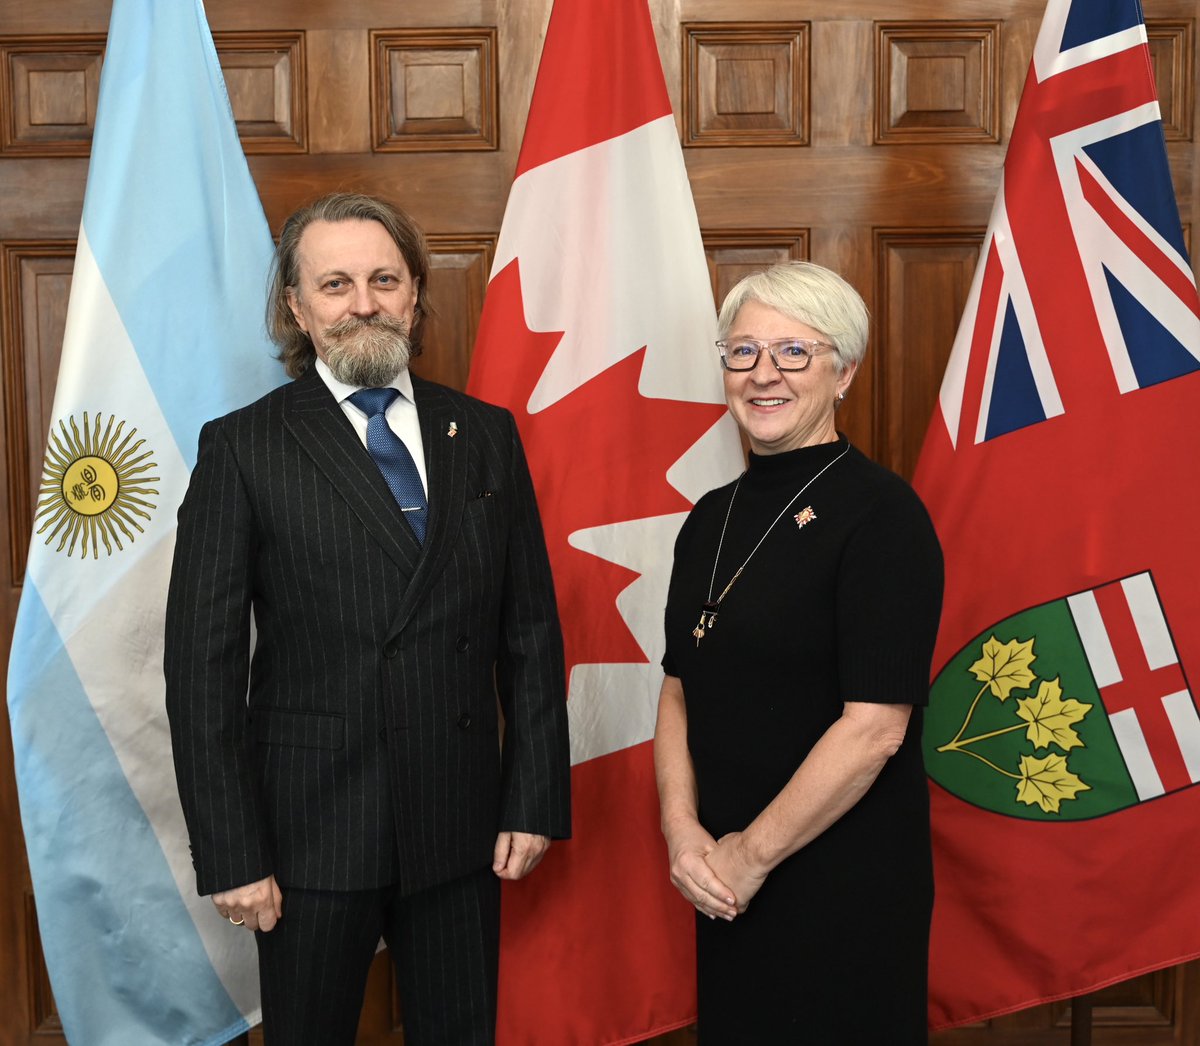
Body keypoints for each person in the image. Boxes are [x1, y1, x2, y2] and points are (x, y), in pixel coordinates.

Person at [164, 191, 570, 1045]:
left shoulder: (485, 433)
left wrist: (531, 797)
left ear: (415, 293)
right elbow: (200, 671)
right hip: (312, 828)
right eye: (336, 283)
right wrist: (233, 852)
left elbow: (529, 633)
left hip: (459, 820)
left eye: (384, 279)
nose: (363, 303)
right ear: (297, 307)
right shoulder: (243, 445)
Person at [654, 261, 943, 1043]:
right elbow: (679, 685)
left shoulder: (883, 516)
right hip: (721, 878)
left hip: (838, 877)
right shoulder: (709, 517)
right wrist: (685, 836)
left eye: (794, 352)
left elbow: (875, 728)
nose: (763, 375)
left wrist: (751, 854)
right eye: (742, 353)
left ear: (844, 370)